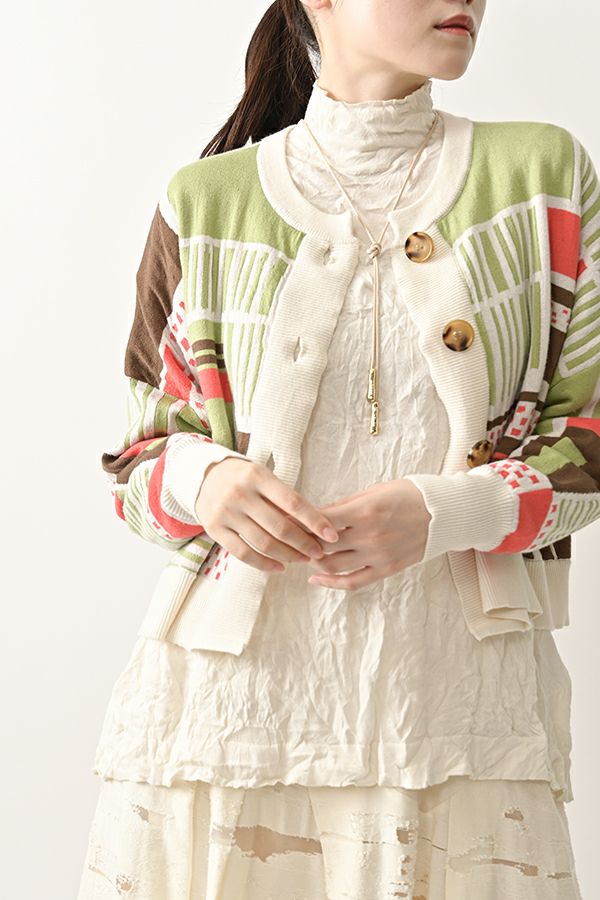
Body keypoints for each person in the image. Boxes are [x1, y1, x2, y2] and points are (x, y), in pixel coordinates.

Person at [76, 0, 598, 896]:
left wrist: (447, 511)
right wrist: (207, 481)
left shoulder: (544, 179)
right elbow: (139, 456)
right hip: (226, 718)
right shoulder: (205, 202)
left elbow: (587, 440)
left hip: (459, 711)